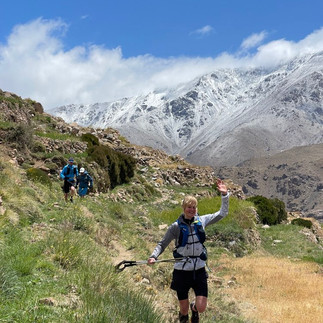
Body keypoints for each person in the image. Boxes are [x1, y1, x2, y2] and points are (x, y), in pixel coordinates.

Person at [148, 179, 229, 323]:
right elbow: (162, 244)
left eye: (194, 207)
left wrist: (224, 195)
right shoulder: (175, 227)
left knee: (202, 307)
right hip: (181, 271)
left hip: (199, 269)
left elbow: (222, 213)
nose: (191, 210)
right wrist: (153, 256)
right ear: (183, 208)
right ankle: (184, 315)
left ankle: (195, 308)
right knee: (183, 309)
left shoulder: (202, 221)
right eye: (188, 207)